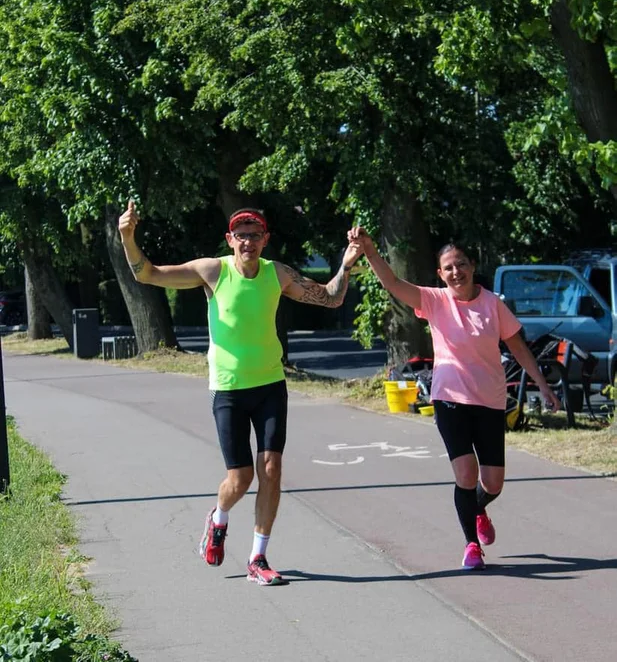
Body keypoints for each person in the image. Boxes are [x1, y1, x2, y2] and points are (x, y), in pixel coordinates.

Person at [118, 201, 362, 585]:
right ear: (230, 240)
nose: (247, 241)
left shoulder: (277, 274)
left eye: (254, 234)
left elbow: (330, 297)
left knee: (271, 469)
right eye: (241, 235)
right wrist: (127, 237)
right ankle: (218, 519)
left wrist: (346, 264)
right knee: (240, 477)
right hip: (229, 389)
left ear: (265, 239)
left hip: (270, 385)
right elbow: (147, 274)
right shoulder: (212, 271)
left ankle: (258, 557)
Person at [348, 229, 561, 570]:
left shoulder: (493, 305)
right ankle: (471, 546)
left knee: (492, 483)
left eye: (460, 264)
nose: (455, 272)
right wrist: (370, 250)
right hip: (449, 401)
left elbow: (518, 348)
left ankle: (478, 508)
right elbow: (392, 283)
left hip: (490, 402)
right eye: (448, 268)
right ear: (440, 274)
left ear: (472, 265)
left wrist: (544, 386)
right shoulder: (434, 301)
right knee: (465, 474)